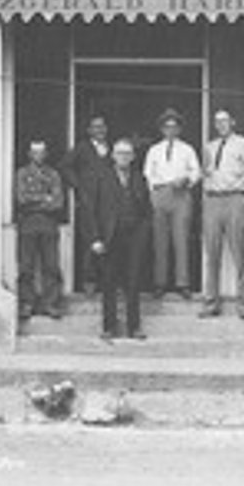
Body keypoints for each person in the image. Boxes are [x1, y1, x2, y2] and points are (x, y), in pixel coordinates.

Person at [198, 108, 244, 319]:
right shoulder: (209, 147)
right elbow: (205, 173)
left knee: (238, 251)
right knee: (212, 253)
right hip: (212, 200)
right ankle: (211, 302)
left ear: (233, 122)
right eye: (217, 121)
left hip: (235, 200)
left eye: (224, 121)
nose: (220, 125)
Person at [92, 137, 153, 340]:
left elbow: (147, 211)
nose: (123, 157)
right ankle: (109, 327)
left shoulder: (139, 178)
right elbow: (92, 211)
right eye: (119, 153)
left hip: (134, 236)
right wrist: (96, 238)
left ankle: (134, 327)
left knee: (133, 282)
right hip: (110, 237)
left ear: (133, 157)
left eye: (127, 154)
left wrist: (143, 234)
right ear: (113, 156)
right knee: (109, 282)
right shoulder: (102, 178)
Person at [142, 107, 201, 299]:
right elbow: (147, 173)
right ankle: (160, 282)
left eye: (174, 127)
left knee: (181, 239)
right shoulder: (154, 150)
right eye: (167, 127)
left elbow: (196, 172)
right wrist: (155, 191)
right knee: (160, 241)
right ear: (161, 129)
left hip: (180, 195)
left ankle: (182, 283)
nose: (170, 131)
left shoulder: (187, 149)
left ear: (179, 129)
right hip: (160, 194)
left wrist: (186, 179)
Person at [13, 137, 67, 320]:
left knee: (51, 265)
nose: (39, 155)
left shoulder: (53, 174)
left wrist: (34, 199)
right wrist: (45, 198)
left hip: (49, 224)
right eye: (35, 152)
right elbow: (21, 199)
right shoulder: (21, 173)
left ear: (46, 154)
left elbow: (58, 202)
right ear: (29, 154)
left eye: (42, 152)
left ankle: (50, 303)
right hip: (28, 224)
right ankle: (26, 303)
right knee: (26, 266)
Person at [59, 114, 112, 294]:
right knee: (91, 239)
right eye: (96, 127)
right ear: (89, 130)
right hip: (88, 200)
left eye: (102, 126)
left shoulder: (111, 149)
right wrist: (78, 186)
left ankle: (107, 281)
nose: (100, 130)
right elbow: (65, 166)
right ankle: (89, 280)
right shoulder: (82, 148)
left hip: (108, 202)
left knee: (109, 238)